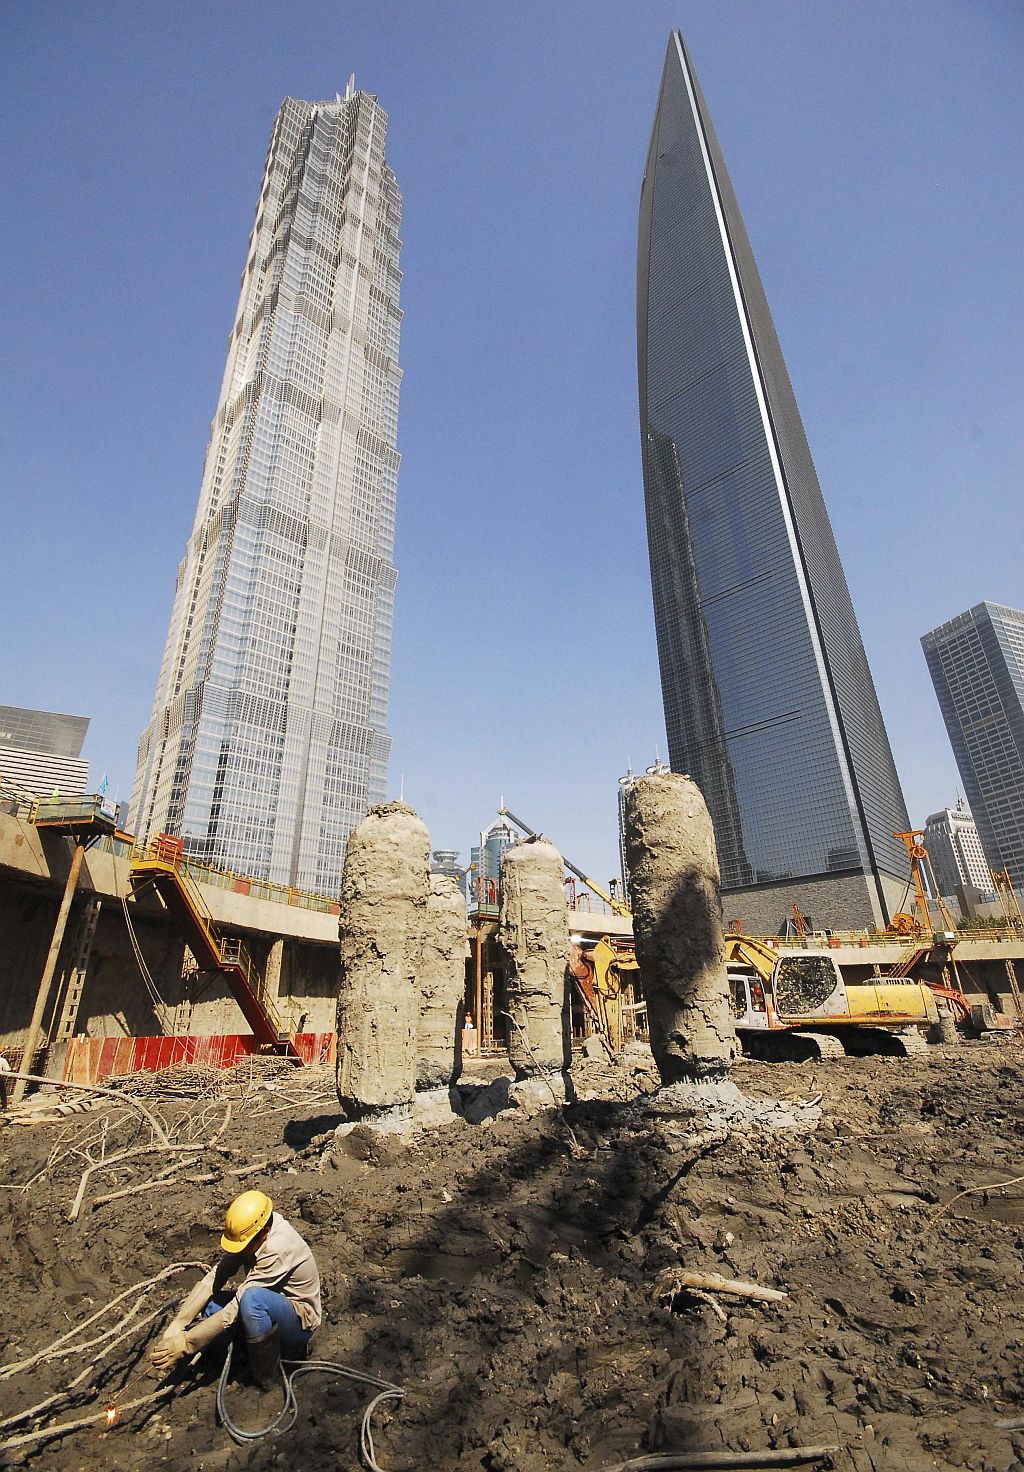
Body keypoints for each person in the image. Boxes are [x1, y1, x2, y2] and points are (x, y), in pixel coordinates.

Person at [148, 1189, 321, 1389]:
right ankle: (243, 1348)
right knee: (211, 1306)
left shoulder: (278, 1248)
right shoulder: (254, 1232)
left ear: (263, 1235)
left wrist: (187, 1343)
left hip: (300, 1322)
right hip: (270, 1305)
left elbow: (239, 1303)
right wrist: (179, 1323)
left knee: (251, 1301)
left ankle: (267, 1377)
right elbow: (217, 1275)